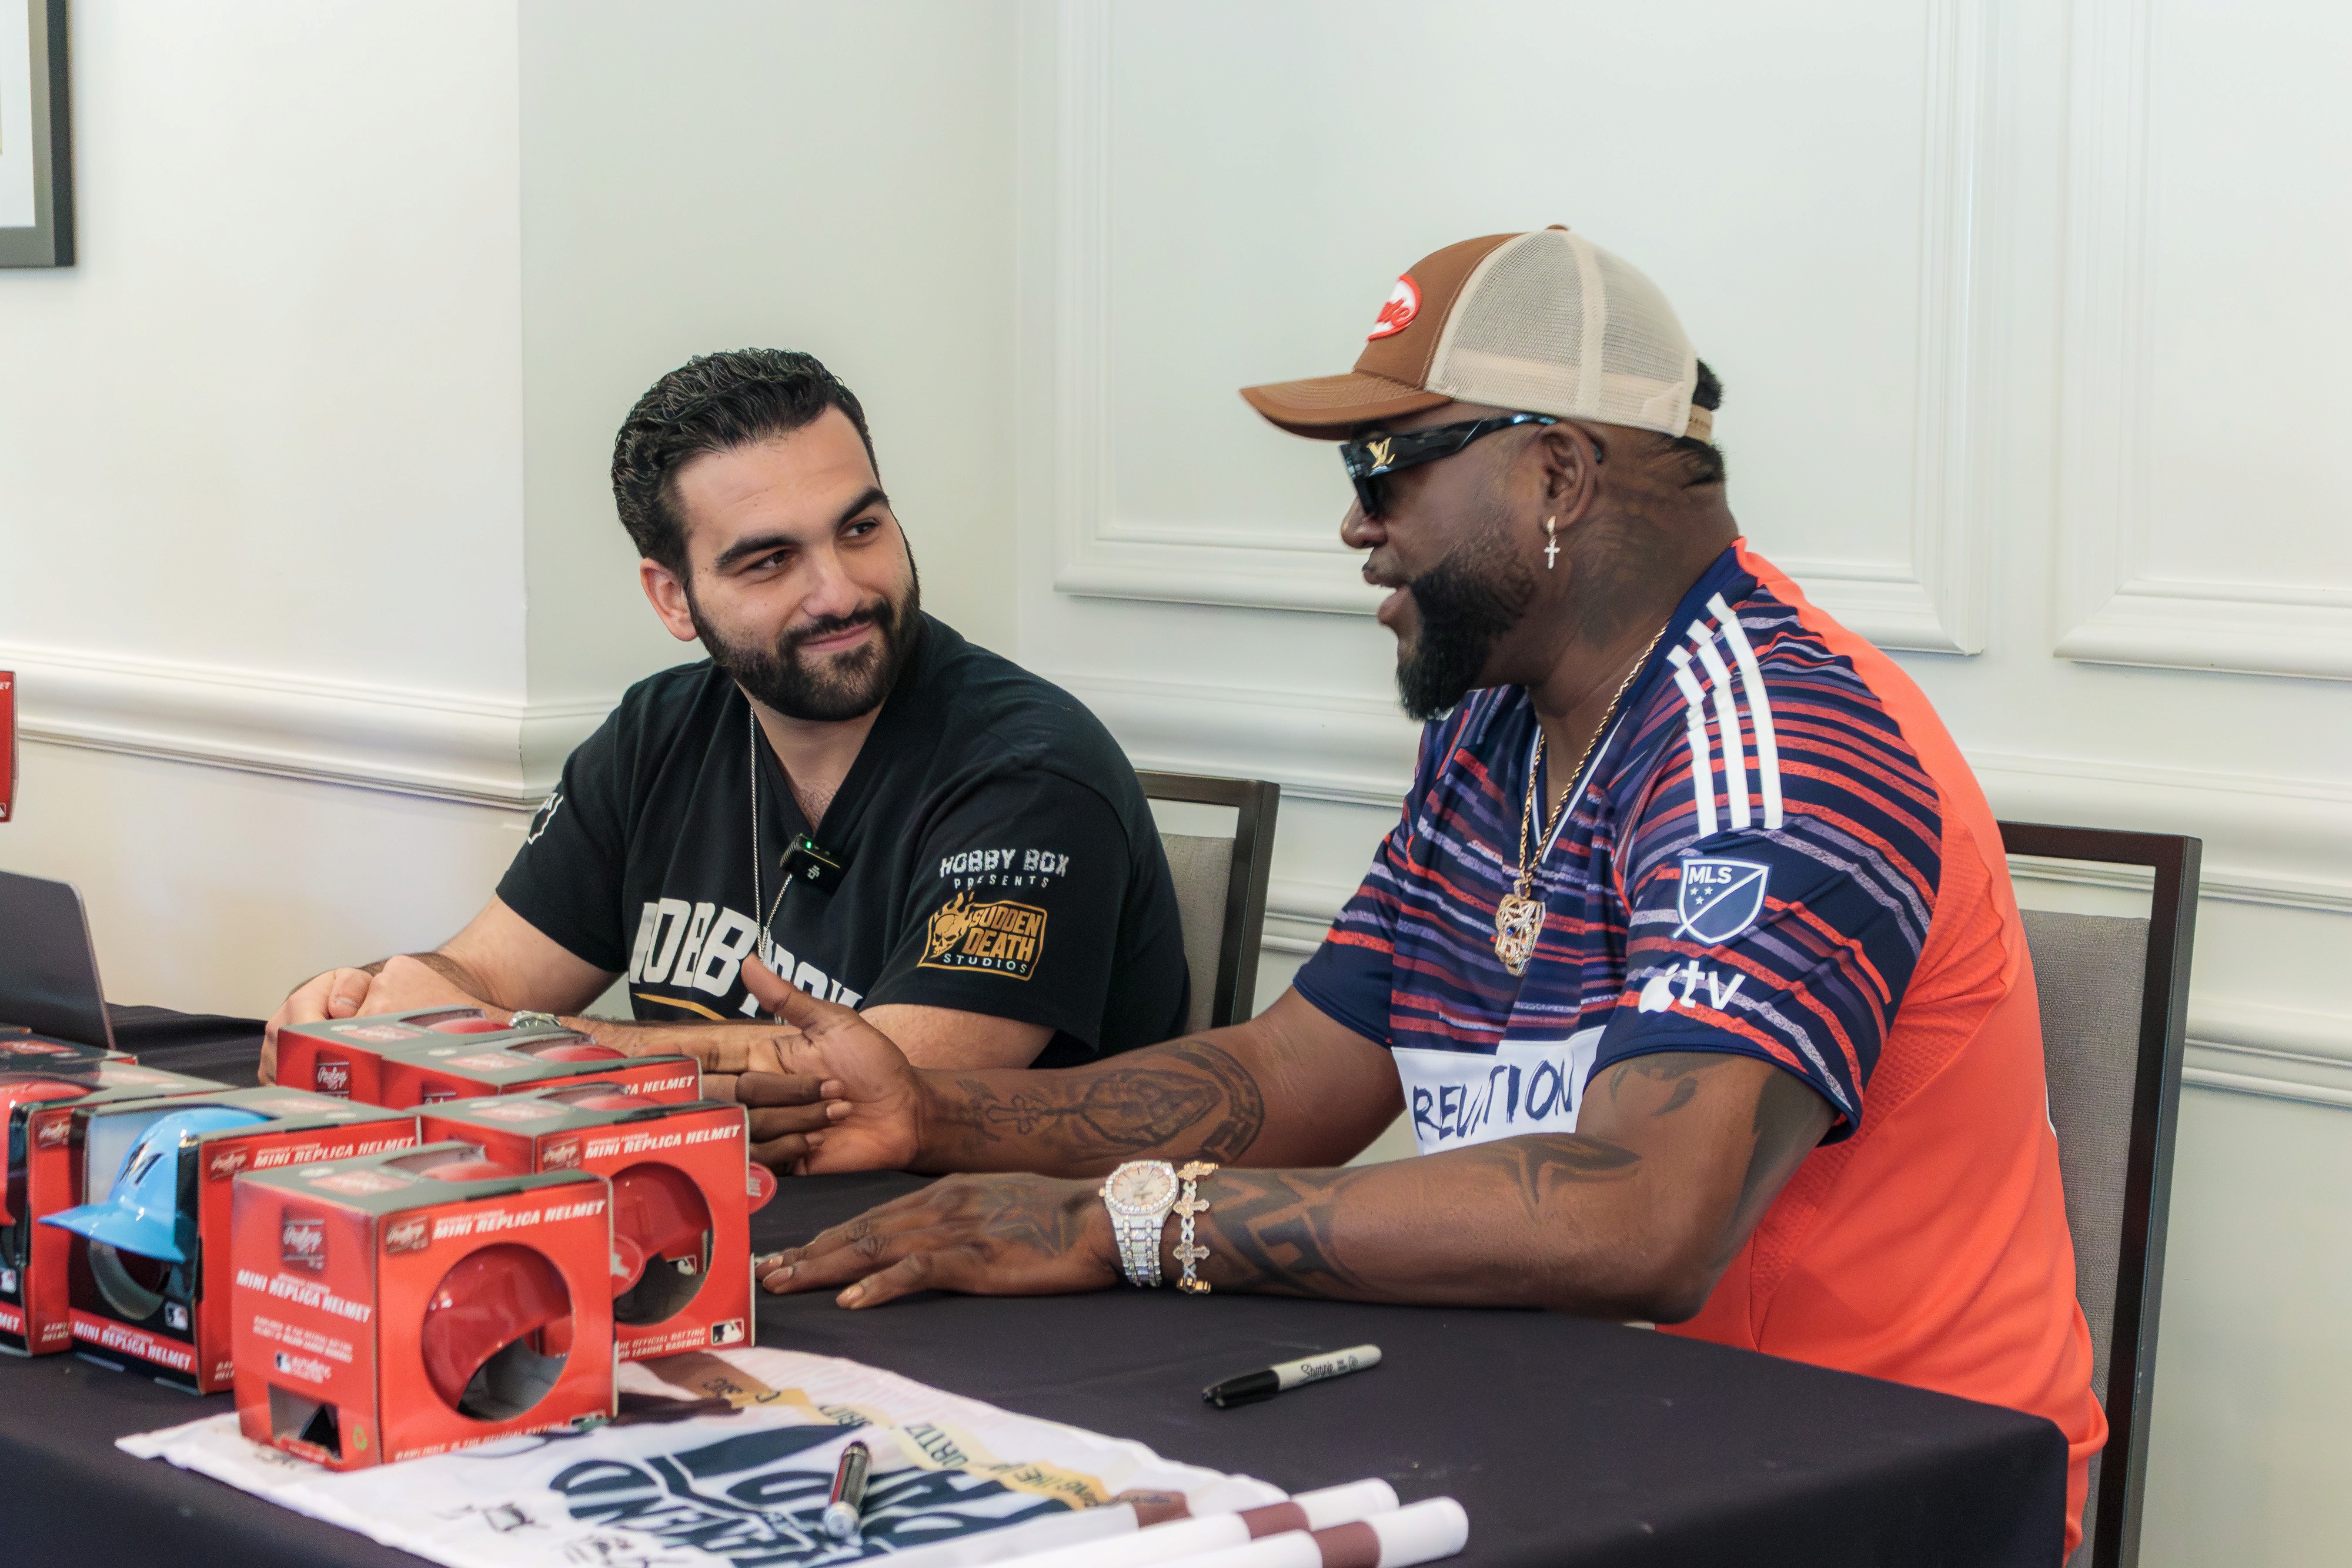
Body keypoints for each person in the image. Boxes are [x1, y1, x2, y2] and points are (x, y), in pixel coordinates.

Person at [739, 230, 2105, 1556]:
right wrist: (936, 1111)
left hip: (1867, 1477)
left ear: (1554, 471)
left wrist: (1125, 1219)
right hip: (1597, 1424)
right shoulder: (1494, 724)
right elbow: (1296, 1071)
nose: (1356, 521)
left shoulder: (1779, 745)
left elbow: (1644, 1217)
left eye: (1383, 467)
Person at [262, 349, 1192, 1125]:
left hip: (956, 1254)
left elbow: (881, 1091)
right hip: (703, 1219)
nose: (839, 591)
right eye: (770, 561)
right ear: (673, 598)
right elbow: (483, 972)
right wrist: (370, 1001)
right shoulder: (657, 735)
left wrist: (501, 1038)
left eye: (860, 528)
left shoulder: (1032, 775)